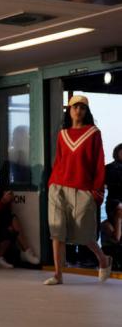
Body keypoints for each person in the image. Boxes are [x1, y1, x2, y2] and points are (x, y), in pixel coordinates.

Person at [45, 95, 110, 285]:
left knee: (85, 235)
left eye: (82, 107)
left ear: (86, 111)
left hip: (83, 189)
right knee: (56, 231)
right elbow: (58, 161)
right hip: (58, 187)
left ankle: (103, 259)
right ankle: (58, 274)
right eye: (75, 107)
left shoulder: (93, 133)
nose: (78, 110)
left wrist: (97, 192)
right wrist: (52, 183)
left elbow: (99, 163)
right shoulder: (62, 133)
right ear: (69, 110)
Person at [102, 143, 122, 268]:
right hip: (114, 201)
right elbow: (101, 185)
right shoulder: (108, 168)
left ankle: (115, 238)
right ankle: (106, 226)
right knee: (120, 209)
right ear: (117, 152)